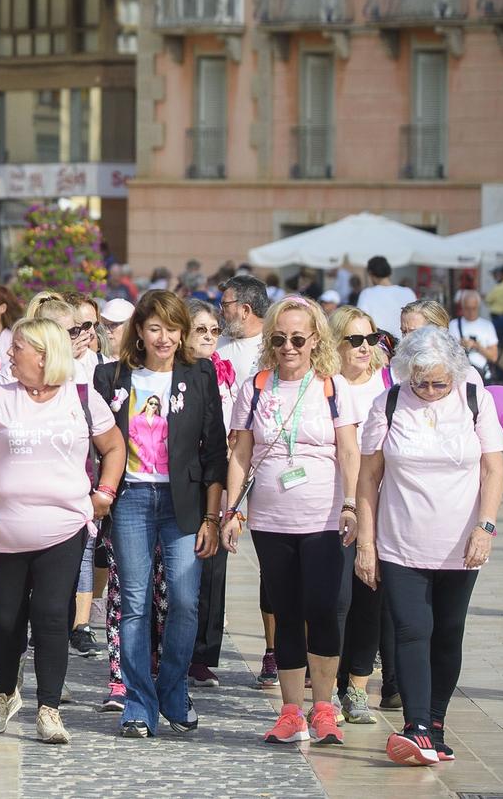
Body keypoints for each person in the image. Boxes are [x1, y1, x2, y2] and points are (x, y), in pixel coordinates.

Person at [0, 317, 124, 744]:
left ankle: (49, 709)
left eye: (18, 347)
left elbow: (114, 447)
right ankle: (4, 692)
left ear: (43, 354)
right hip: (5, 530)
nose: (10, 354)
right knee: (5, 619)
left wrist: (104, 494)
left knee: (52, 615)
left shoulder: (82, 397)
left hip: (64, 528)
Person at [353, 326, 503, 766]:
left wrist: (487, 527)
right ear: (407, 375)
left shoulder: (476, 400)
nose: (432, 390)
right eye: (422, 382)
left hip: (462, 543)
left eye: (440, 382)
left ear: (456, 374)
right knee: (411, 629)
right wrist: (367, 542)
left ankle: (436, 723)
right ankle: (416, 727)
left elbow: (493, 470)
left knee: (448, 632)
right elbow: (368, 478)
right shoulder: (390, 402)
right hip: (401, 539)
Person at [222, 295, 362, 746]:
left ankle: (324, 708)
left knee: (322, 609)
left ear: (315, 339)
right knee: (285, 613)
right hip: (271, 518)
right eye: (279, 338)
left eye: (298, 339)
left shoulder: (332, 385)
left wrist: (352, 504)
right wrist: (233, 509)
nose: (288, 347)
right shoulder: (257, 386)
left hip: (322, 516)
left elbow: (349, 451)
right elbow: (241, 451)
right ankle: (290, 712)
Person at [93, 289, 226, 740]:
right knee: (134, 602)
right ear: (140, 332)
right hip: (131, 498)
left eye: (172, 328)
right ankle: (137, 702)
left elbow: (215, 453)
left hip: (183, 503)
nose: (164, 337)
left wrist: (212, 518)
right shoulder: (110, 376)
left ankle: (171, 690)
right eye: (155, 328)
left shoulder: (200, 373)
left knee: (186, 601)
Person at [330, 305, 394, 724]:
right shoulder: (326, 385)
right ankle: (327, 685)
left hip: (383, 506)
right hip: (331, 507)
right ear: (336, 343)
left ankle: (356, 688)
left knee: (371, 597)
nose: (365, 348)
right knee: (336, 600)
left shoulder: (391, 386)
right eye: (355, 340)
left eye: (371, 339)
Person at [185, 298, 230, 689]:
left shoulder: (224, 370)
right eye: (202, 330)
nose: (210, 337)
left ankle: (202, 654)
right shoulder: (179, 371)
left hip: (219, 473)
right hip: (182, 476)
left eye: (215, 330)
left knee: (213, 566)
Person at [356, 257, 418, 338]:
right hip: (407, 342)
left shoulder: (367, 294)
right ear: (389, 272)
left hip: (380, 344)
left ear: (371, 274)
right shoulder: (408, 292)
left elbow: (361, 321)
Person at [449, 291, 500, 383]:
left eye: (474, 308)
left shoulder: (487, 326)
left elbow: (494, 357)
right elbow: (447, 353)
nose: (471, 312)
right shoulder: (453, 325)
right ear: (462, 307)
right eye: (467, 308)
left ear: (478, 307)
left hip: (482, 374)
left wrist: (477, 346)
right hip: (460, 375)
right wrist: (460, 346)